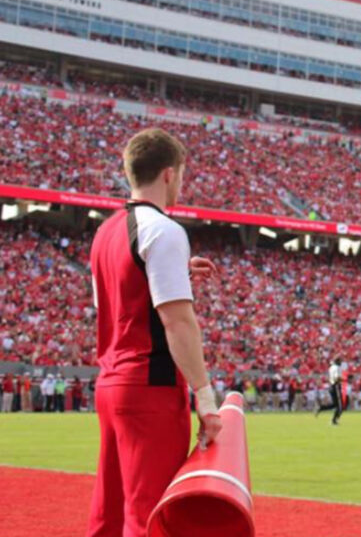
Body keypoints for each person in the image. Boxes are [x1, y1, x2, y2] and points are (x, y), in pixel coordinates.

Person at [86, 128, 223, 537]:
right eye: (181, 173)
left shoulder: (106, 231)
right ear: (168, 174)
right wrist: (205, 397)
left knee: (108, 512)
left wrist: (175, 273)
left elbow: (122, 303)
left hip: (111, 382)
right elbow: (177, 322)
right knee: (149, 516)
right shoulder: (164, 230)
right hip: (150, 387)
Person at [315, 359, 345, 425]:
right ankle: (334, 420)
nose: (341, 363)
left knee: (334, 404)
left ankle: (321, 408)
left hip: (331, 386)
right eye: (340, 361)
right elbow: (337, 378)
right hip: (336, 386)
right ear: (337, 362)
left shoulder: (331, 368)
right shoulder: (337, 368)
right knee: (340, 406)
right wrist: (344, 379)